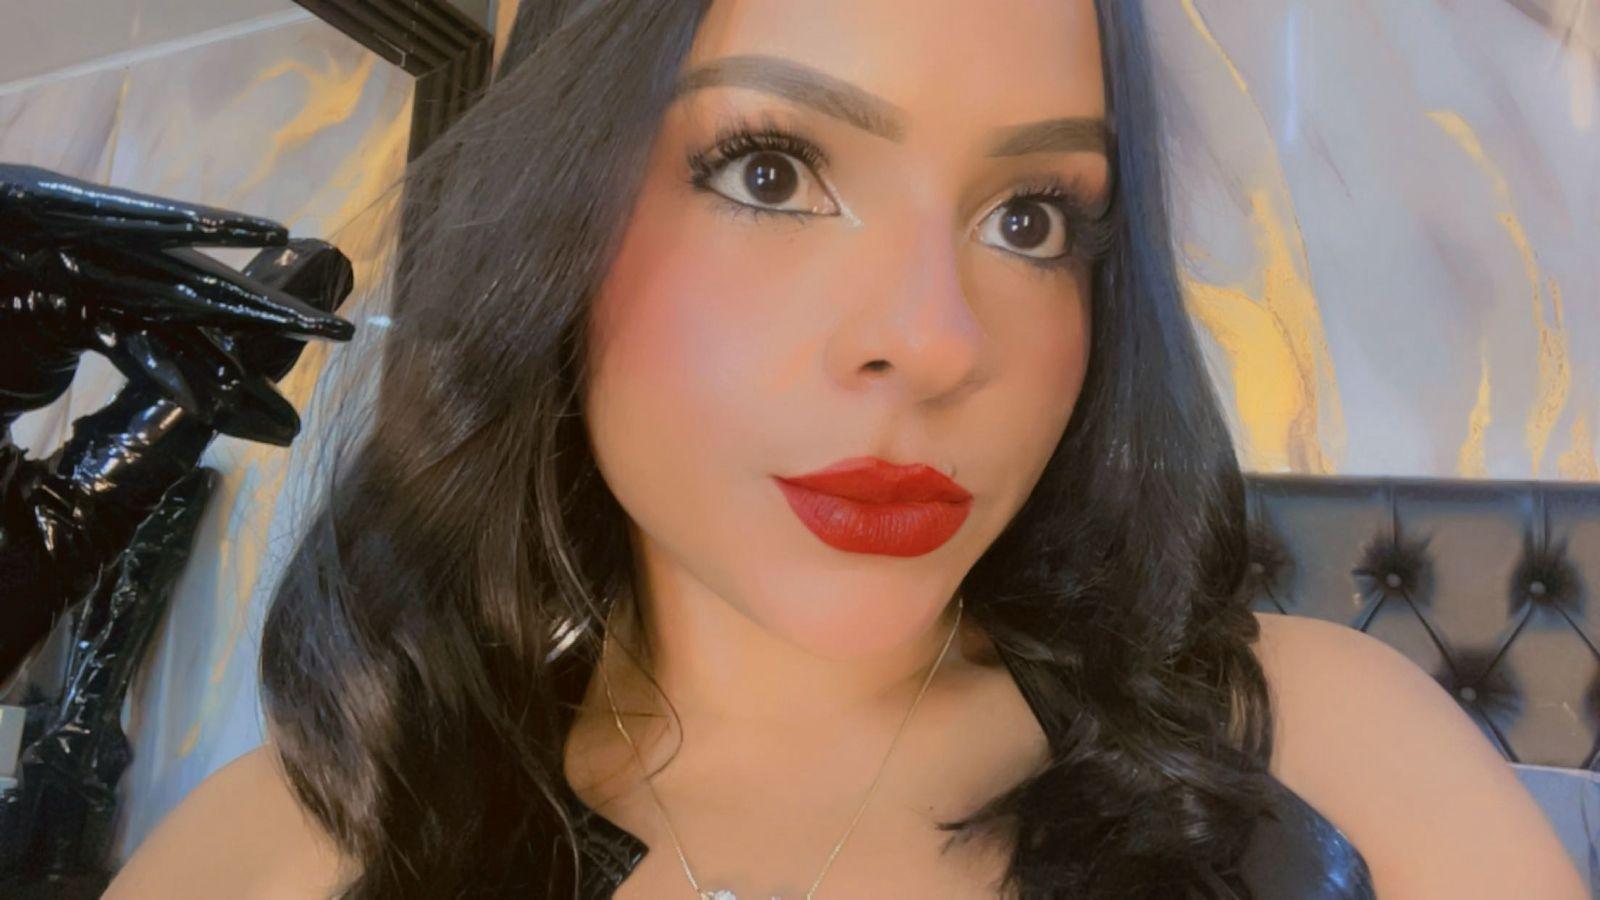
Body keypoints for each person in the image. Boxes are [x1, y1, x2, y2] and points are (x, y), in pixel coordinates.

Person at [104, 1, 1586, 898]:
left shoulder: (1324, 751)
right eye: (771, 170)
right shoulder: (304, 847)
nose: (937, 340)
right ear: (554, 225)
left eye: (1031, 218)